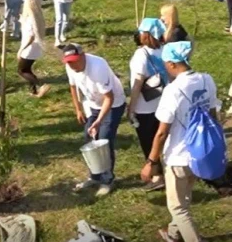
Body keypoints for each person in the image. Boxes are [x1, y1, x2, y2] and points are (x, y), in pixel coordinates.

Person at [143, 41, 220, 242]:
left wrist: (151, 163)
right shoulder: (207, 80)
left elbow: (162, 132)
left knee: (177, 207)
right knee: (183, 198)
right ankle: (173, 234)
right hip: (200, 152)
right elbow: (213, 115)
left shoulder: (173, 90)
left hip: (178, 156)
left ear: (171, 64)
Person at [63, 44, 126, 197]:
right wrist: (78, 108)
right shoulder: (70, 66)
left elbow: (109, 98)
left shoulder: (98, 67)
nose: (73, 65)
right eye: (69, 62)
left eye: (75, 61)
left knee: (104, 140)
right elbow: (73, 86)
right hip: (93, 104)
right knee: (88, 138)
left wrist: (98, 121)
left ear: (83, 56)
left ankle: (108, 180)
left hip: (113, 104)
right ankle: (94, 175)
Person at [129, 19, 168, 188]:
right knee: (163, 139)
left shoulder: (141, 55)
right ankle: (167, 170)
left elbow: (137, 84)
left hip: (145, 106)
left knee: (148, 141)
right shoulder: (165, 50)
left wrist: (131, 107)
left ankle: (157, 175)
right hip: (164, 102)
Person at [18, 0, 50, 96]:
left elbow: (31, 37)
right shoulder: (37, 17)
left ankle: (41, 85)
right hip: (35, 47)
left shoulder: (30, 20)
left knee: (21, 71)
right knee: (27, 69)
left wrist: (21, 50)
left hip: (29, 49)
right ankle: (33, 90)